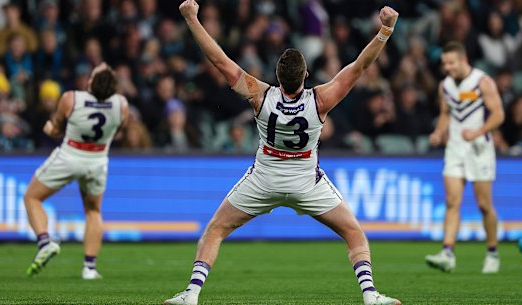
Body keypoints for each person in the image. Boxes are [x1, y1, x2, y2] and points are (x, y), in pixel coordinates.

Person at [163, 1, 401, 305]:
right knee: (354, 233)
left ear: (277, 75)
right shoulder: (321, 99)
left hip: (264, 179)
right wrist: (385, 30)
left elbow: (220, 61)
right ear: (305, 76)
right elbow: (359, 67)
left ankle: (191, 294)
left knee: (215, 230)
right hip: (306, 181)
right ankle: (370, 295)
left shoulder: (260, 94)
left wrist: (191, 19)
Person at [24, 62, 129, 280]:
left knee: (32, 197)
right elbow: (119, 132)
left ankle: (45, 241)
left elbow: (55, 130)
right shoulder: (121, 105)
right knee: (93, 211)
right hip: (97, 160)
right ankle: (89, 268)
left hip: (70, 155)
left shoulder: (71, 98)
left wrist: (48, 128)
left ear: (90, 82)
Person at [425, 42, 505, 274]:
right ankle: (447, 252)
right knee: (452, 201)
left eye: (451, 63)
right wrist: (439, 133)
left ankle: (492, 251)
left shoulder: (482, 82)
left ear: (463, 59)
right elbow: (445, 114)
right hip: (455, 148)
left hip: (479, 147)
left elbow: (499, 114)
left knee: (484, 205)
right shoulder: (445, 86)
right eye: (444, 63)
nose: (447, 67)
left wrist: (478, 132)